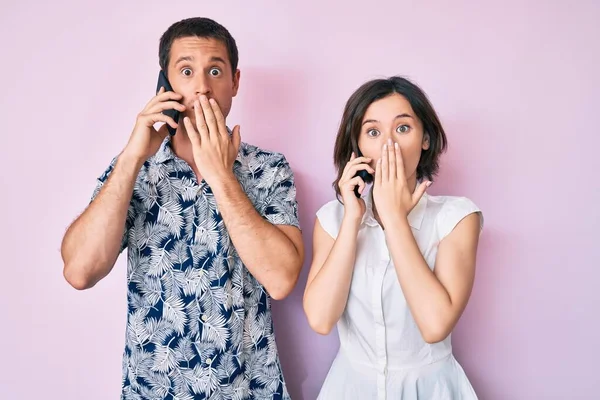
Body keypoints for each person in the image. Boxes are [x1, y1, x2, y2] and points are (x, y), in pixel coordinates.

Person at [61, 17, 304, 400]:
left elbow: (281, 280)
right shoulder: (133, 169)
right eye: (186, 71)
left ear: (235, 82)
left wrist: (222, 177)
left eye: (215, 71)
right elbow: (79, 271)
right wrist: (132, 157)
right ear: (165, 83)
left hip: (249, 390)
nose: (202, 86)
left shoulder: (269, 170)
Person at [303, 76, 483, 399]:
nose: (389, 145)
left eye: (402, 128)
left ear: (425, 139)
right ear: (358, 147)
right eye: (373, 132)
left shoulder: (456, 218)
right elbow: (320, 319)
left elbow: (435, 325)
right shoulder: (332, 219)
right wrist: (353, 219)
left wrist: (395, 218)